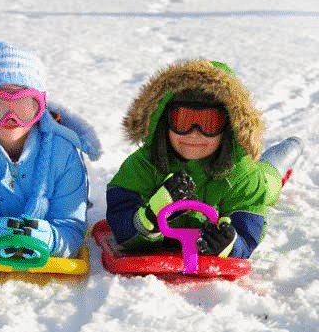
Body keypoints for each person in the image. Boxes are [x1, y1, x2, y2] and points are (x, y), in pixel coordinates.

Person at [106, 59, 303, 259]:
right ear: (164, 122)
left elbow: (247, 236)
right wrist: (148, 219)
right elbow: (120, 221)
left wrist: (230, 245)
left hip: (256, 175)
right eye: (183, 121)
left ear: (228, 128)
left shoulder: (244, 176)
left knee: (270, 179)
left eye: (208, 123)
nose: (194, 134)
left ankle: (292, 147)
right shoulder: (144, 164)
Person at [0, 41, 100, 263]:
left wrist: (49, 239)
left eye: (24, 106)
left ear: (41, 106)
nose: (11, 118)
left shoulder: (65, 154)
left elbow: (71, 229)